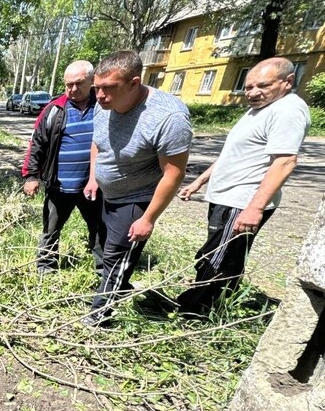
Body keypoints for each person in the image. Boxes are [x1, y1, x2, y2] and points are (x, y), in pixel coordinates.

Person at [176, 57, 310, 314]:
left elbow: (284, 162)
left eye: (262, 85)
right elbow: (233, 154)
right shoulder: (259, 110)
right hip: (227, 198)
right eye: (248, 87)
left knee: (217, 258)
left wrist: (254, 208)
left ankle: (193, 310)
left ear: (288, 82)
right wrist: (200, 181)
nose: (253, 92)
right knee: (222, 256)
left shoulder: (288, 110)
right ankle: (209, 305)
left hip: (242, 201)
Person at [82, 50, 193, 325]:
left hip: (136, 199)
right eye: (97, 88)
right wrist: (94, 176)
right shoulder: (103, 104)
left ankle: (99, 316)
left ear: (134, 82)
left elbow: (174, 173)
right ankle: (110, 292)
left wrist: (148, 219)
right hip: (107, 194)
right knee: (103, 248)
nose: (100, 96)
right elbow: (98, 142)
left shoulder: (168, 117)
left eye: (109, 89)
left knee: (116, 258)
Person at [21, 60, 104, 275]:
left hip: (94, 187)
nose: (73, 89)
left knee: (99, 229)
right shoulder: (54, 109)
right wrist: (31, 176)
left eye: (79, 83)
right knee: (51, 229)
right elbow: (36, 143)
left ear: (92, 81)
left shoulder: (104, 107)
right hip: (60, 186)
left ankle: (104, 272)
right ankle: (46, 268)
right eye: (69, 85)